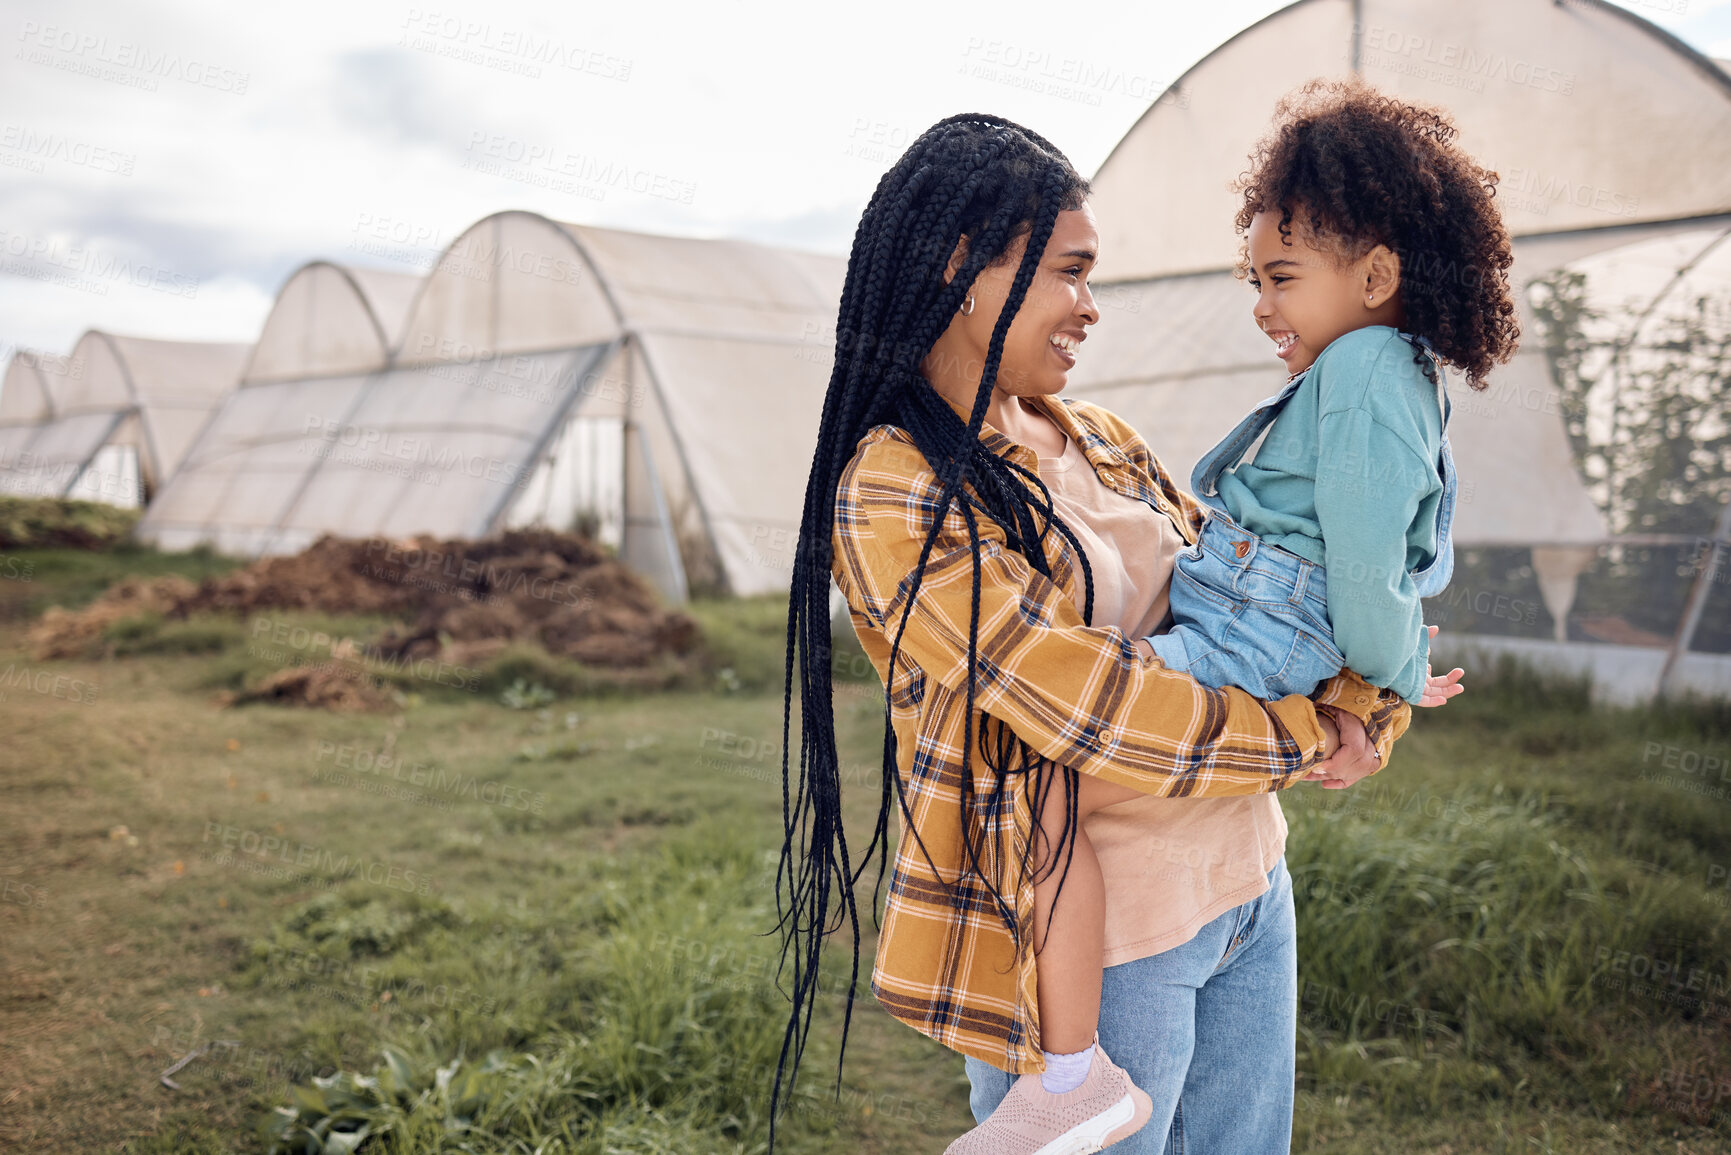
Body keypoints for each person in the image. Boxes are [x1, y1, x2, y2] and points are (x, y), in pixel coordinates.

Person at [768, 111, 1443, 1155]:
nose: (1090, 309)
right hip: (1106, 951)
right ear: (964, 268)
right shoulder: (897, 490)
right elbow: (1090, 707)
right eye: (1070, 273)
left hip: (1247, 891)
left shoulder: (1106, 439)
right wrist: (1315, 736)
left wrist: (1368, 700)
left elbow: (1278, 594)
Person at [970, 77, 1515, 1151]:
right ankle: (1066, 1068)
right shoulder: (1374, 368)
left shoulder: (1359, 369)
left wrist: (1387, 679)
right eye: (1255, 277)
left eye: (1281, 277)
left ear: (1375, 275)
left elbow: (1364, 572)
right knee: (1053, 752)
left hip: (1254, 653)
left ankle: (1067, 1073)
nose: (1262, 305)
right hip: (1244, 674)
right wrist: (1360, 698)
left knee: (1036, 765)